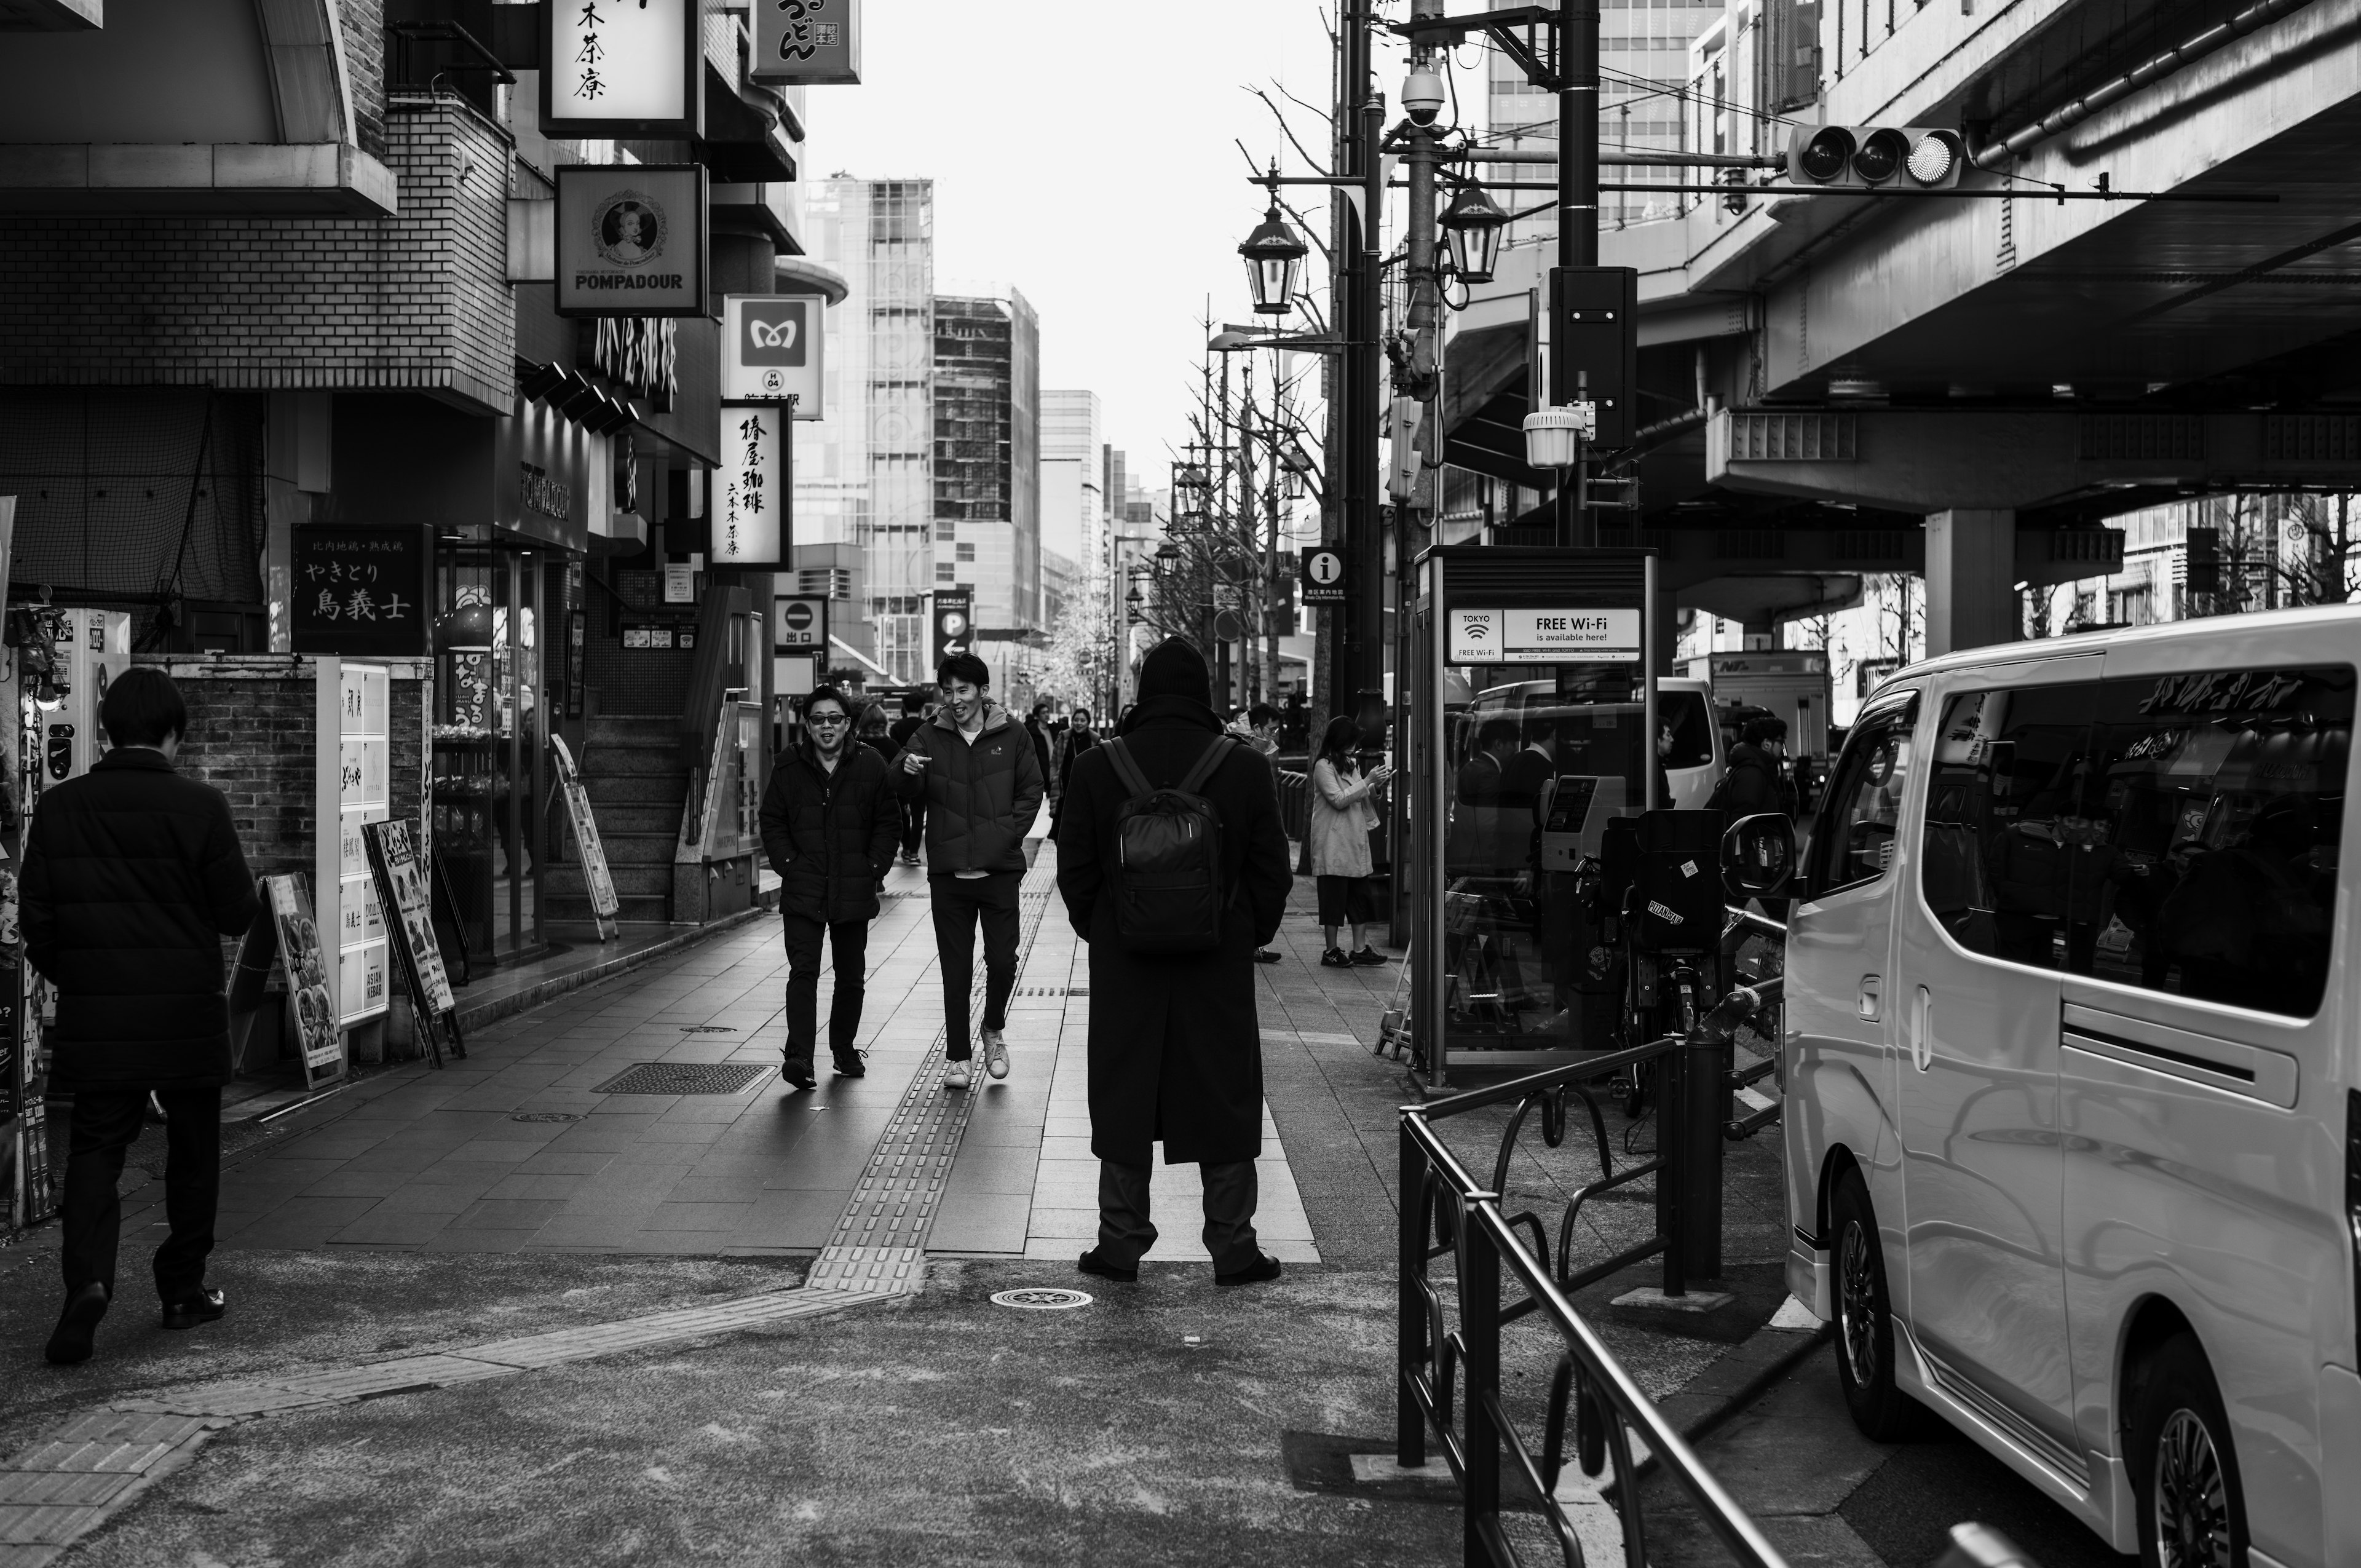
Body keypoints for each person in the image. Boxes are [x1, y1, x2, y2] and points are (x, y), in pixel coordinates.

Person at [24, 668, 260, 1366]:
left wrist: (87, 975)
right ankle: (183, 1289)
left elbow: (35, 919)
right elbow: (237, 912)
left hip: (101, 1014)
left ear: (105, 731)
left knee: (96, 1146)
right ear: (174, 734)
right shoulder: (202, 807)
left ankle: (88, 1282)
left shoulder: (61, 808)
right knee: (192, 1149)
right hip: (186, 1009)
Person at [1056, 638, 1294, 1287]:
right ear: (1205, 695)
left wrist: (1109, 930)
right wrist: (1241, 932)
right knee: (1225, 1094)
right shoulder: (1244, 768)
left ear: (1142, 690)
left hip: (1125, 964)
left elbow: (1074, 871)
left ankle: (1121, 1244)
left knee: (1123, 1092)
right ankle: (1235, 1249)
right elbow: (1272, 870)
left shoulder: (1099, 766)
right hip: (1215, 963)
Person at [891, 652, 1045, 1090]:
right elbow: (895, 782)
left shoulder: (1012, 734)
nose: (955, 700)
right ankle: (959, 1056)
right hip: (949, 874)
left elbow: (1031, 789)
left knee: (1003, 961)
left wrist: (1005, 837)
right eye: (948, 691)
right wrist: (905, 770)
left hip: (999, 872)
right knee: (954, 970)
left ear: (982, 691)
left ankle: (993, 1029)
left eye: (963, 690)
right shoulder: (930, 734)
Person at [760, 686, 900, 1089]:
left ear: (847, 723)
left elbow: (888, 821)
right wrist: (788, 864)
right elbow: (771, 820)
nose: (827, 726)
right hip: (804, 886)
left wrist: (873, 868)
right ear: (808, 724)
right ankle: (800, 1056)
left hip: (853, 885)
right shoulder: (789, 766)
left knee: (851, 974)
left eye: (835, 719)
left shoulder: (870, 765)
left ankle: (844, 1047)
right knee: (803, 971)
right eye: (819, 719)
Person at [1308, 716, 1393, 967]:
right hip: (1334, 842)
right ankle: (1331, 950)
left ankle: (1359, 948)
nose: (1354, 747)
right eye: (1351, 742)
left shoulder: (1349, 764)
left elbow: (1362, 796)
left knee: (1360, 896)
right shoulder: (1323, 766)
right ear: (1339, 740)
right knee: (1333, 898)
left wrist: (1376, 786)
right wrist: (1367, 782)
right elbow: (1338, 799)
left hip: (1353, 839)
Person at [888, 698, 936, 866]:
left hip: (902, 774)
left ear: (904, 708)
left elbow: (895, 752)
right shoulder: (927, 728)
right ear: (922, 708)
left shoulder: (896, 728)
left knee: (902, 816)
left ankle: (906, 849)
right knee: (917, 817)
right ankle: (914, 853)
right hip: (922, 776)